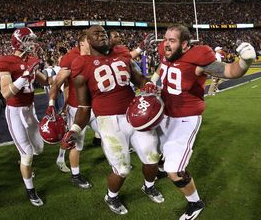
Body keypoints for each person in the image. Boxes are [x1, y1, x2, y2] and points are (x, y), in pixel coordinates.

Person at [151, 24, 256, 220]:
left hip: (185, 117)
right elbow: (162, 64)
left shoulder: (199, 57)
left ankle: (195, 203)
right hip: (165, 112)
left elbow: (230, 71)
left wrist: (245, 63)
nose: (166, 44)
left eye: (172, 41)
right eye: (165, 39)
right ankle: (160, 166)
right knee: (155, 148)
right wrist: (154, 79)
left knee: (174, 170)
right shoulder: (166, 50)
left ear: (184, 44)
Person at [63, 25, 164, 215]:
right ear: (88, 40)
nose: (101, 35)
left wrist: (149, 86)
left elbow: (139, 79)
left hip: (134, 115)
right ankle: (111, 196)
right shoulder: (81, 64)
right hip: (108, 121)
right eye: (96, 34)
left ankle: (148, 186)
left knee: (152, 159)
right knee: (122, 169)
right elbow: (84, 106)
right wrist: (75, 129)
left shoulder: (122, 54)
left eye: (103, 33)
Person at [0, 27, 49, 206]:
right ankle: (30, 190)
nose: (33, 44)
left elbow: (45, 81)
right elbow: (5, 93)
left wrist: (65, 73)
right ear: (19, 42)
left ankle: (23, 161)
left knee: (39, 149)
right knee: (27, 154)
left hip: (30, 109)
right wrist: (25, 74)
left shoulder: (32, 60)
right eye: (29, 40)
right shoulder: (6, 61)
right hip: (15, 111)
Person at [46, 30, 98, 189]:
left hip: (96, 106)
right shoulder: (70, 57)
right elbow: (58, 83)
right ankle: (74, 174)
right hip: (77, 107)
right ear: (83, 42)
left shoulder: (99, 53)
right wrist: (52, 104)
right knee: (75, 142)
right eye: (91, 40)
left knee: (109, 135)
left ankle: (117, 165)